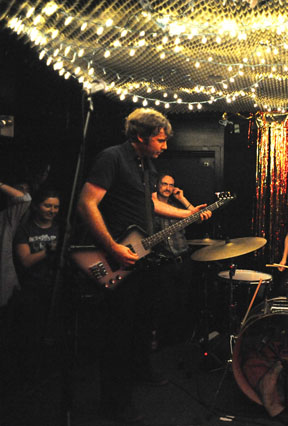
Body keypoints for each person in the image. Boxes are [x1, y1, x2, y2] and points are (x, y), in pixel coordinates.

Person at [76, 108, 212, 423]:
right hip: (118, 256)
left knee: (141, 325)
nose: (165, 146)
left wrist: (189, 214)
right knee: (118, 333)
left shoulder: (145, 164)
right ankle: (114, 405)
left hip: (143, 256)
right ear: (140, 136)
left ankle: (138, 373)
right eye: (160, 140)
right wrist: (112, 246)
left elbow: (151, 203)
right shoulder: (112, 158)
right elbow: (86, 203)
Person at [10, 188, 61, 384]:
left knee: (53, 332)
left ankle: (48, 372)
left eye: (56, 207)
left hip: (55, 287)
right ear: (37, 207)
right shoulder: (26, 230)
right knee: (31, 333)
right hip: (31, 287)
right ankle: (27, 376)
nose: (52, 210)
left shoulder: (60, 229)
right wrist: (50, 249)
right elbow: (25, 261)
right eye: (48, 206)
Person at [151, 173, 197, 347]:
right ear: (157, 185)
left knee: (182, 302)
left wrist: (182, 199)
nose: (168, 188)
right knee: (164, 304)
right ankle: (163, 343)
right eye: (164, 184)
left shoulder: (178, 206)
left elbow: (198, 217)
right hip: (163, 264)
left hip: (183, 260)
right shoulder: (150, 207)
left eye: (171, 185)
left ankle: (180, 343)